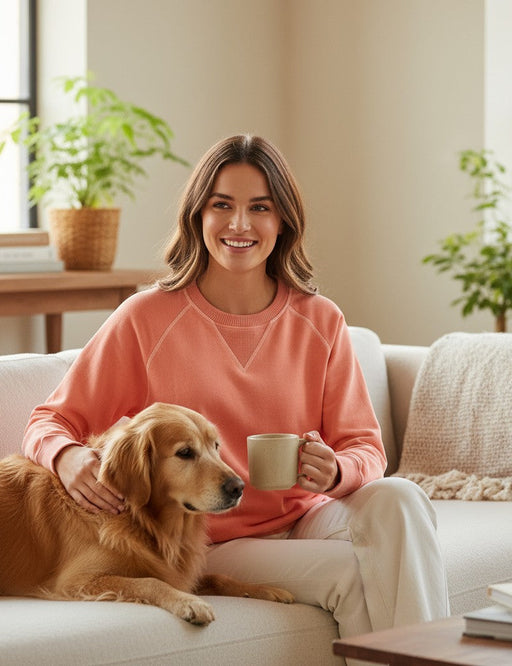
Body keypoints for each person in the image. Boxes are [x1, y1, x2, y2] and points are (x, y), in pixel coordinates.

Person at [23, 134, 449, 638]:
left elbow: (366, 449)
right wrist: (67, 458)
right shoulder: (147, 318)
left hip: (308, 519)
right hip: (213, 540)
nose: (240, 225)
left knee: (400, 497)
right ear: (198, 216)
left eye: (260, 208)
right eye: (221, 205)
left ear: (282, 221)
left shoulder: (320, 319)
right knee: (355, 578)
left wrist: (338, 471)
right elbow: (49, 421)